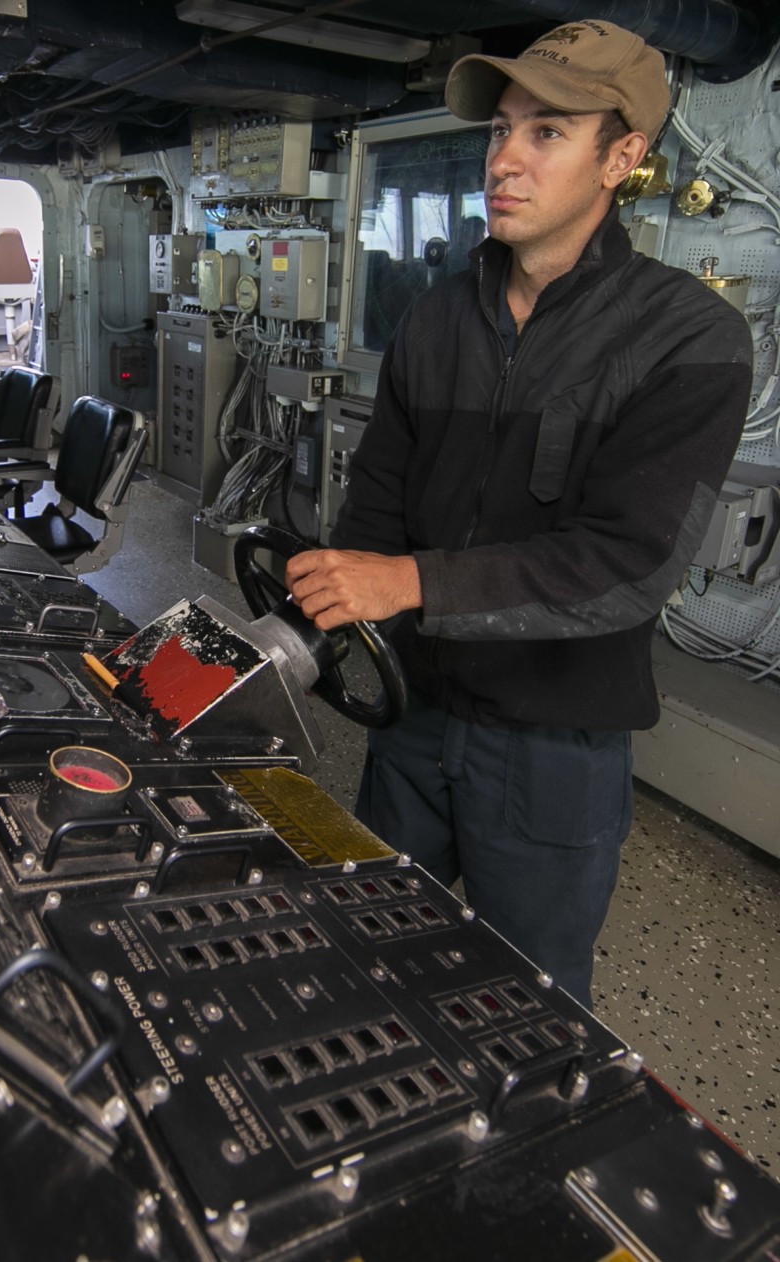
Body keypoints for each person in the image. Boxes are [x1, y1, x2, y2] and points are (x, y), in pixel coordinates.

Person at [284, 19, 752, 1007]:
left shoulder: (686, 337)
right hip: (411, 714)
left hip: (550, 748)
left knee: (523, 1002)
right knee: (372, 953)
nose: (503, 159)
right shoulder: (435, 316)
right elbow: (375, 499)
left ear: (622, 157)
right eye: (500, 129)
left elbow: (627, 565)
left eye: (547, 133)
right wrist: (329, 619)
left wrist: (407, 581)